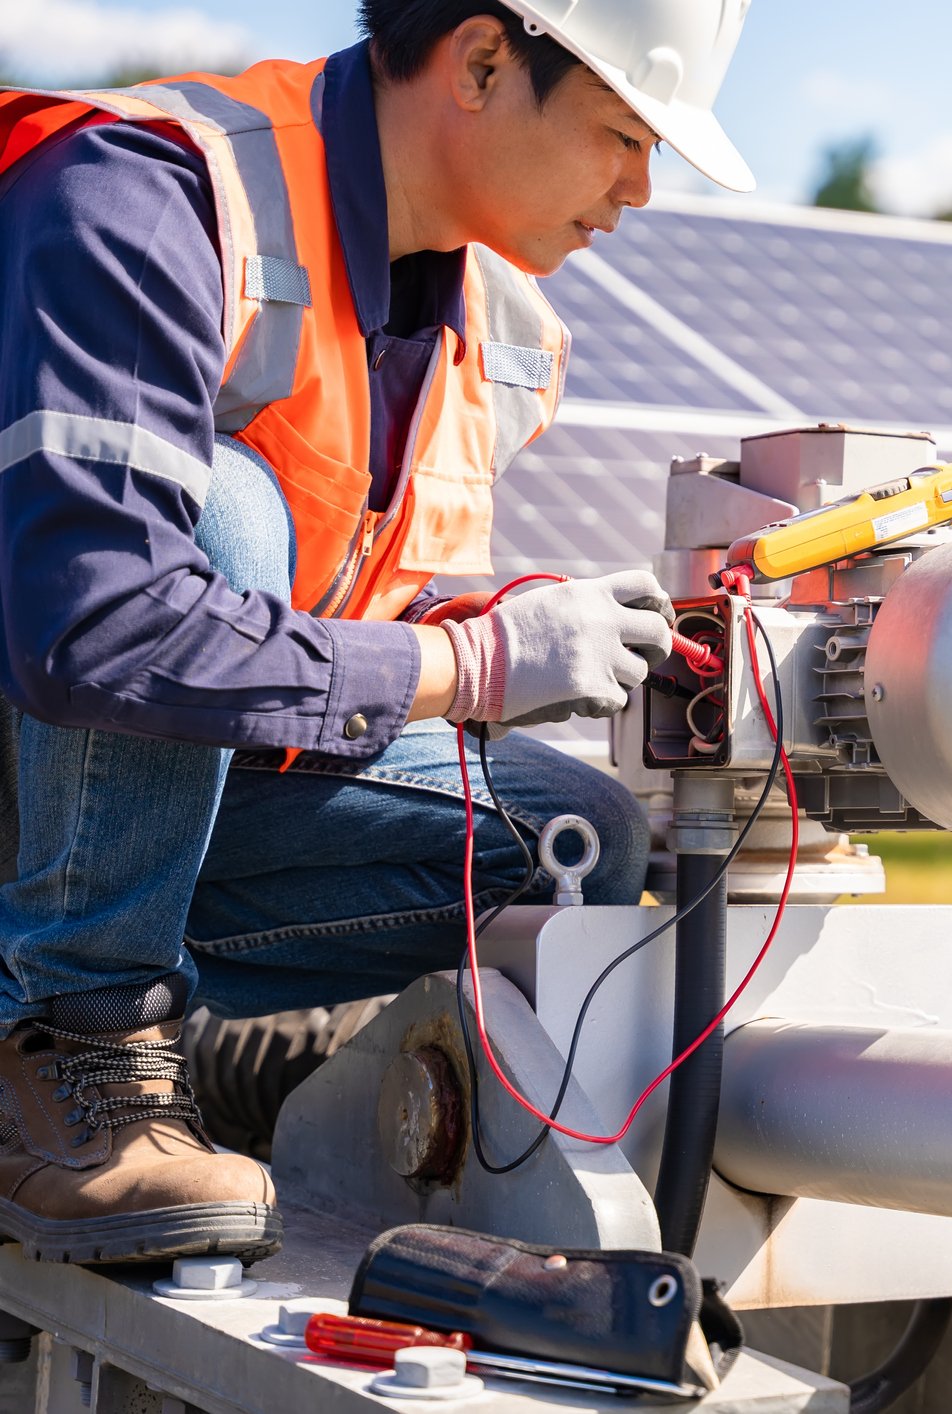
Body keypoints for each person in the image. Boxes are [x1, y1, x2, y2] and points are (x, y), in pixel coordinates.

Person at [0, 0, 755, 1263]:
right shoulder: (151, 195)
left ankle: (200, 1057)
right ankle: (85, 1046)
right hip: (42, 739)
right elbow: (95, 624)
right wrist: (470, 668)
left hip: (153, 788)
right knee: (217, 513)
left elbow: (368, 615)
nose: (637, 189)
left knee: (566, 844)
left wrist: (500, 631)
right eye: (623, 135)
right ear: (480, 59)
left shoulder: (499, 332)